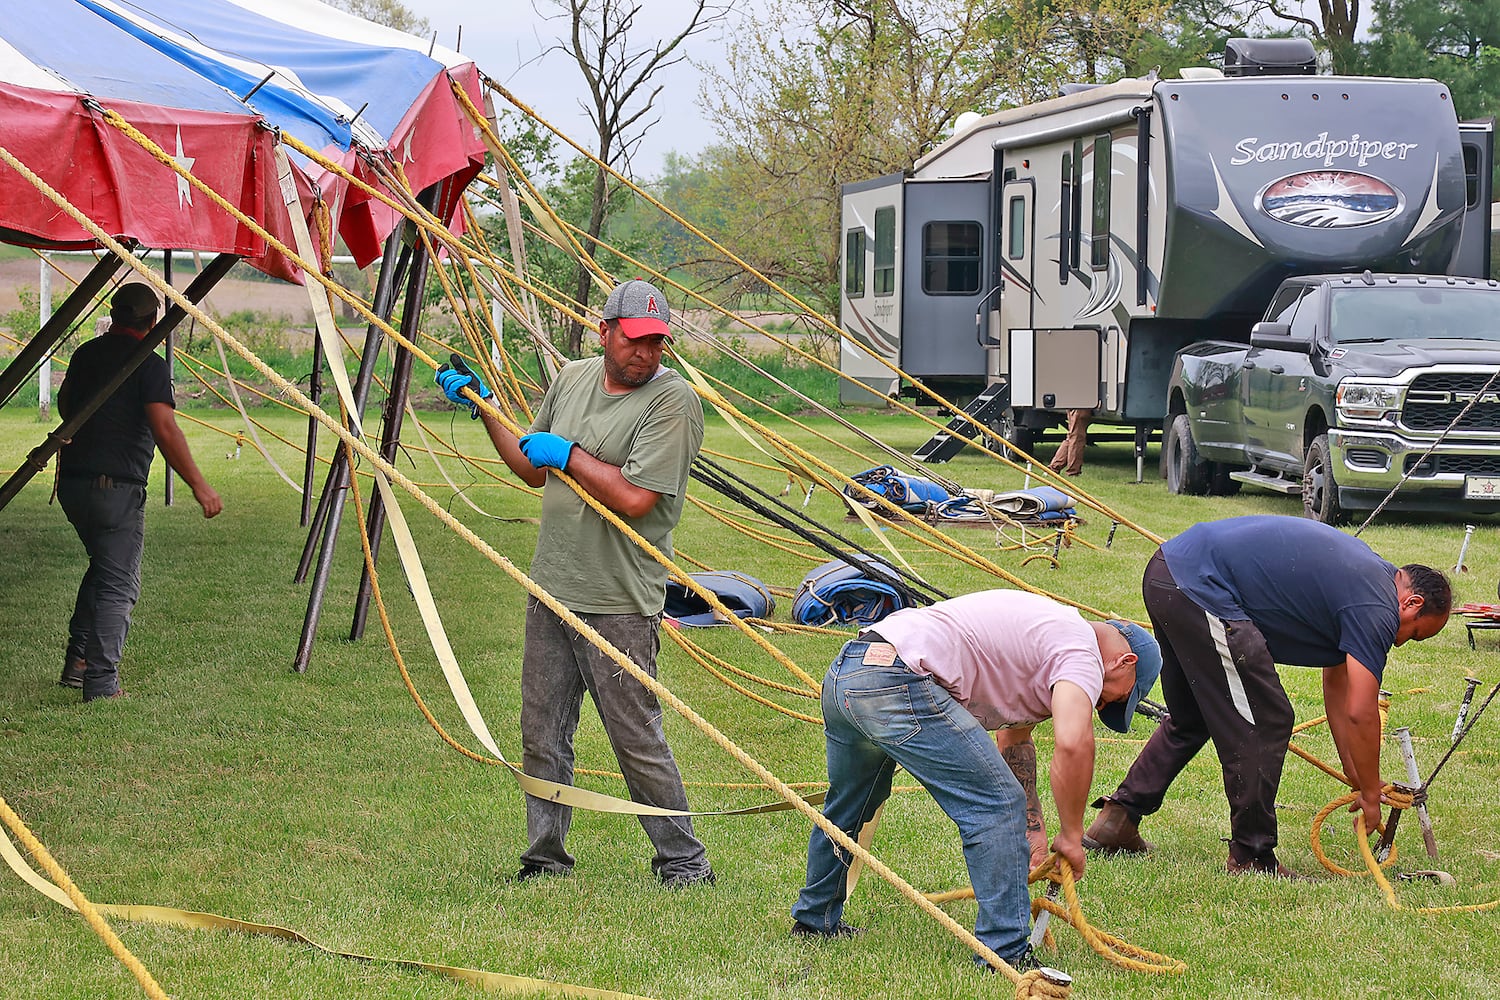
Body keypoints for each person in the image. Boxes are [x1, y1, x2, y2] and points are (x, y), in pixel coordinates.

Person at [435, 278, 713, 887]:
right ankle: (544, 857)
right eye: (635, 341)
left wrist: (570, 454)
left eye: (657, 343)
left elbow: (637, 499)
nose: (646, 354)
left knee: (635, 738)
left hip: (618, 598)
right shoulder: (571, 379)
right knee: (542, 731)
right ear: (605, 330)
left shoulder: (674, 401)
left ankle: (685, 863)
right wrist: (484, 405)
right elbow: (531, 468)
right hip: (552, 586)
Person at [789, 589, 1161, 971]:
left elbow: (1015, 737)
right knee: (996, 805)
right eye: (1119, 697)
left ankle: (815, 920)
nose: (1103, 706)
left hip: (851, 671)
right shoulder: (1081, 652)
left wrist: (1033, 827)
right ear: (1123, 662)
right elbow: (1073, 742)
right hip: (898, 680)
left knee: (852, 803)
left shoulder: (1051, 633)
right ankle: (1005, 951)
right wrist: (1071, 834)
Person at [1082, 515, 1452, 877]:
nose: (1402, 641)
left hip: (1170, 571)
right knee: (1266, 719)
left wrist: (1357, 775)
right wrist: (1372, 793)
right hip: (1200, 587)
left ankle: (1117, 821)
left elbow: (1338, 689)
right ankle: (1252, 855)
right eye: (1415, 634)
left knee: (1192, 716)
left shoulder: (1368, 582)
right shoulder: (1378, 605)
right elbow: (1361, 711)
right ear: (1412, 603)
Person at [56, 282, 222, 702]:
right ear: (153, 322)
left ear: (115, 316)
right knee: (119, 585)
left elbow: (65, 404)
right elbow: (164, 427)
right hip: (116, 490)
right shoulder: (147, 365)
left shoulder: (84, 354)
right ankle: (101, 684)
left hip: (72, 486)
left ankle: (78, 661)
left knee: (104, 568)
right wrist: (201, 487)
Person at [1048, 408, 1092, 476]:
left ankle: (1054, 467)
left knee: (1072, 437)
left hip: (1073, 404)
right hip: (1081, 406)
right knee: (1077, 437)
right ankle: (1073, 471)